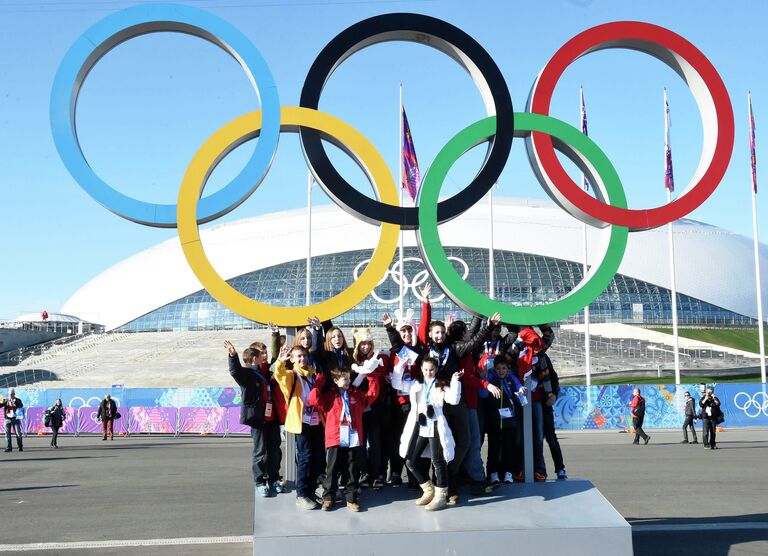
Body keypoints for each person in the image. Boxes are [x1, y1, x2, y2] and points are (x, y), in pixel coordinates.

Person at [396, 356, 462, 512]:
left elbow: (453, 400)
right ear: (421, 369)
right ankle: (428, 490)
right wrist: (400, 366)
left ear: (436, 369)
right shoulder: (416, 384)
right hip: (421, 425)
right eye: (425, 369)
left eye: (431, 369)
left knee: (438, 462)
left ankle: (441, 496)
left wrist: (455, 382)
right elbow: (397, 384)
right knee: (411, 461)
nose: (428, 372)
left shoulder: (441, 384)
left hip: (436, 425)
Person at [309, 367, 379, 511]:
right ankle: (328, 497)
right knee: (332, 468)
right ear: (335, 381)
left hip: (352, 436)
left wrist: (370, 375)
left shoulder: (356, 395)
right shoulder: (329, 396)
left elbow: (371, 395)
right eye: (344, 379)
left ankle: (351, 498)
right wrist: (319, 381)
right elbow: (314, 400)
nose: (348, 381)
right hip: (335, 436)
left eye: (349, 378)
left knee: (352, 467)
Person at [225, 341, 282, 497]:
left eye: (265, 353)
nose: (264, 356)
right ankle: (260, 481)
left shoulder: (264, 372)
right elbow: (235, 371)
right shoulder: (247, 374)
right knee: (260, 452)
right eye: (261, 354)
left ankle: (274, 479)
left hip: (272, 419)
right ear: (254, 357)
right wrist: (233, 356)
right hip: (258, 419)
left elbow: (275, 362)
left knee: (274, 451)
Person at [273, 344, 325, 510]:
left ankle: (310, 491)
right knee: (304, 457)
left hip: (315, 420)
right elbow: (280, 376)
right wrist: (280, 362)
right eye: (298, 356)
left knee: (317, 458)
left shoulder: (312, 374)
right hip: (301, 422)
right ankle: (301, 494)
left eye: (304, 355)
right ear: (293, 359)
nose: (302, 359)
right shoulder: (292, 375)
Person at [485, 355, 522, 485]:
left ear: (508, 368)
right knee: (493, 449)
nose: (501, 371)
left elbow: (519, 386)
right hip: (494, 421)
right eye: (498, 368)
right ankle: (493, 473)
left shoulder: (511, 378)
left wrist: (521, 389)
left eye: (503, 368)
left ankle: (509, 473)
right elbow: (483, 388)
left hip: (509, 421)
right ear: (494, 369)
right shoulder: (490, 379)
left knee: (508, 449)